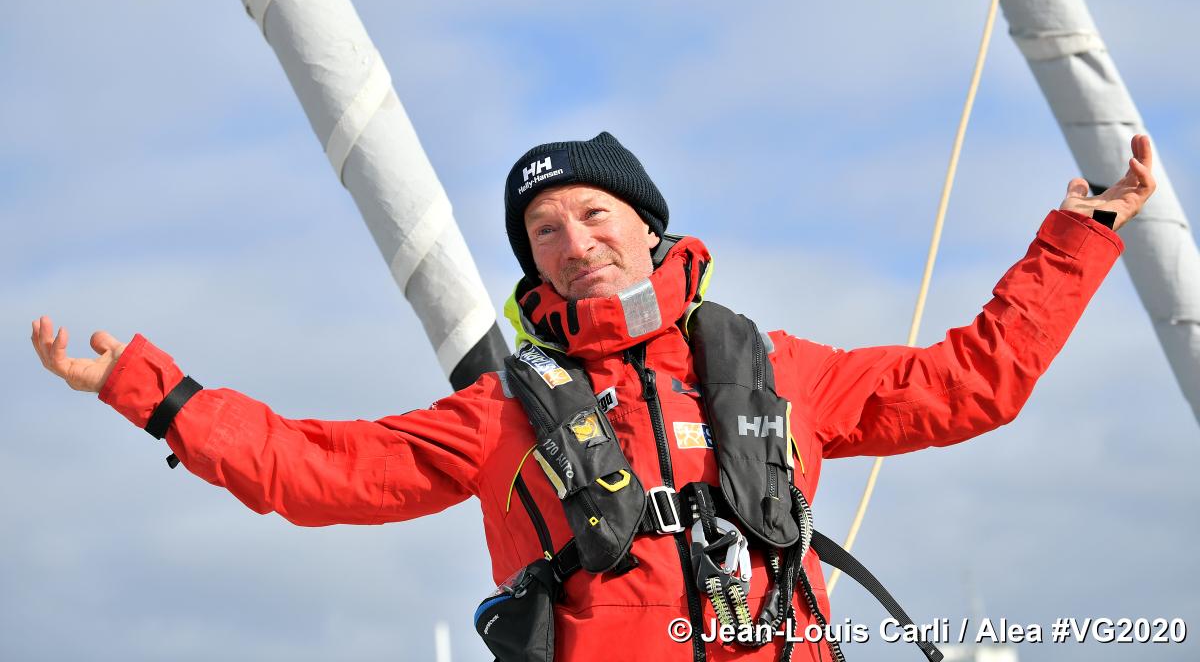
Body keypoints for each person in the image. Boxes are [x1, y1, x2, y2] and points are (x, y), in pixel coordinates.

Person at [32, 132, 1156, 661]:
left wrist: (1081, 235)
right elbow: (325, 470)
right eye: (543, 230)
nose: (573, 244)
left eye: (593, 215)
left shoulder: (777, 370)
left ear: (648, 224)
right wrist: (157, 391)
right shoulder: (508, 412)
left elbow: (973, 382)